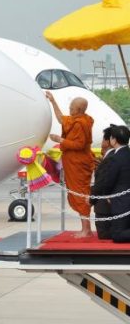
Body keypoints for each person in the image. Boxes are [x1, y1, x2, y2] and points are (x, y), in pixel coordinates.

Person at [46, 91, 95, 238]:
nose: (70, 109)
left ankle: (86, 230)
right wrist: (53, 101)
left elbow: (79, 145)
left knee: (81, 194)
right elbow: (62, 119)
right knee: (77, 193)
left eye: (72, 108)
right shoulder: (76, 119)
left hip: (79, 163)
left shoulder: (82, 123)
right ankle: (86, 229)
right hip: (72, 162)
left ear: (79, 110)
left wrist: (60, 140)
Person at [104, 125, 130, 243]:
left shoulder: (115, 158)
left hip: (121, 200)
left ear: (113, 140)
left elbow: (109, 180)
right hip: (124, 198)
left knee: (117, 234)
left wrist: (106, 194)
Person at [90, 126, 115, 239]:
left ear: (108, 141)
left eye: (103, 139)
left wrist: (91, 199)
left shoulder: (110, 158)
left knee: (105, 235)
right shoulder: (120, 156)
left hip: (105, 209)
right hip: (118, 207)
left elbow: (100, 185)